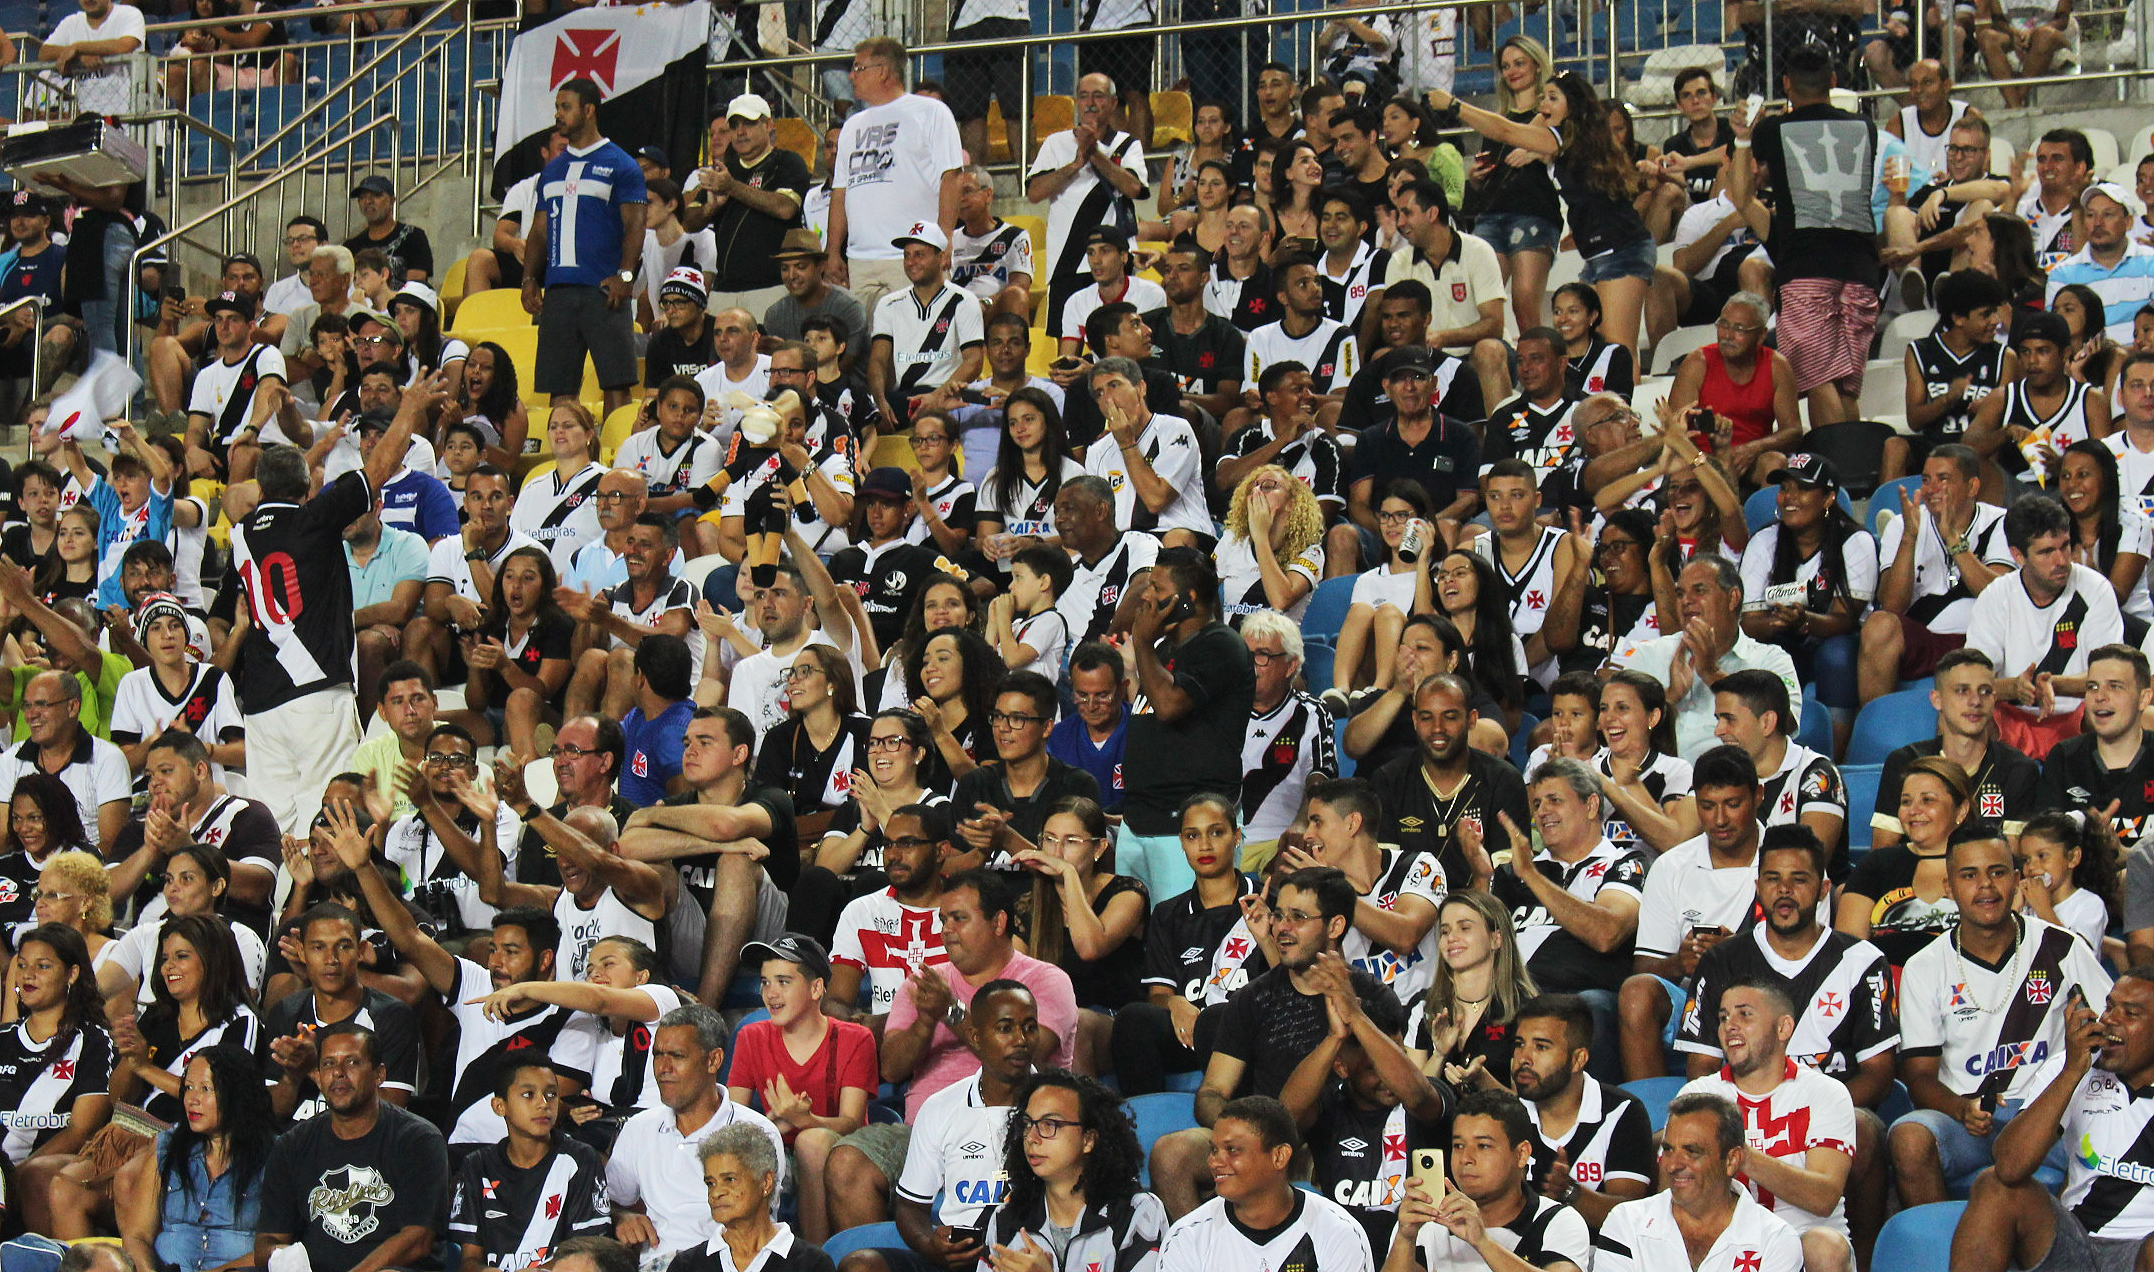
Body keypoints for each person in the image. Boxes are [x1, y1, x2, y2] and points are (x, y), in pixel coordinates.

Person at [225, 376, 428, 833]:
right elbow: (379, 467)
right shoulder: (315, 519)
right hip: (315, 687)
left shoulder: (241, 533)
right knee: (326, 816)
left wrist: (306, 461)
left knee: (272, 825)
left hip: (261, 699)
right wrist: (410, 408)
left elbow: (247, 493)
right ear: (307, 488)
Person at [328, 804, 592, 1147]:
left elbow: (550, 1106)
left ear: (545, 960)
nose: (496, 961)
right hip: (461, 1153)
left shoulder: (571, 1017)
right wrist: (363, 868)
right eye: (494, 949)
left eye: (511, 952)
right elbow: (410, 938)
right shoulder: (475, 983)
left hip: (529, 1156)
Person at [1146, 868, 1394, 1219]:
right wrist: (1248, 1134)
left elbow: (1395, 1090)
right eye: (1279, 915)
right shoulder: (1253, 998)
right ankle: (1204, 1249)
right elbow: (1213, 1091)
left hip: (1334, 1143)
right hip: (1262, 1142)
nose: (1282, 928)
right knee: (1171, 1154)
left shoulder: (1374, 1000)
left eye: (1298, 917)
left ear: (1335, 926)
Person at [1888, 826, 2113, 1206]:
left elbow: (2115, 1026)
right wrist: (1962, 1109)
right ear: (1948, 887)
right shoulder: (1924, 966)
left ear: (2017, 879)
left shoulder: (2061, 946)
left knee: (2103, 1133)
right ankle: (1937, 1239)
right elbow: (1920, 1077)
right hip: (1967, 1120)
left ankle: (2069, 1238)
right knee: (1909, 1138)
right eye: (1969, 875)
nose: (1986, 886)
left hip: (2050, 1115)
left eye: (1997, 872)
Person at [1427, 71, 1654, 358]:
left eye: (1553, 98)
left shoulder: (1564, 137)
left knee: (1618, 352)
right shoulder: (1574, 138)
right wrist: (1538, 131)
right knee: (1594, 350)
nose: (1543, 104)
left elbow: (1506, 131)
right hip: (1600, 251)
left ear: (1572, 106)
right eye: (1542, 97)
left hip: (1621, 250)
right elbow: (1522, 134)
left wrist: (1454, 105)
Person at [1949, 963, 2154, 1272]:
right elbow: (2010, 1166)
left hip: (2142, 1250)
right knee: (1994, 1185)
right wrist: (2072, 1072)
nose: (2110, 1020)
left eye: (2131, 1013)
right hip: (2076, 1241)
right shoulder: (2070, 1066)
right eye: (2110, 1007)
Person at [1727, 47, 1881, 427]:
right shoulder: (1866, 126)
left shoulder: (1773, 130)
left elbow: (1742, 195)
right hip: (1862, 269)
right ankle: (1856, 455)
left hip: (1807, 269)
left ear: (1786, 84)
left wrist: (1744, 139)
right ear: (1833, 81)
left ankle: (1836, 457)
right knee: (1845, 386)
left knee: (1817, 377)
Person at [1677, 977, 1857, 1272]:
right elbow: (1675, 1199)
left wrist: (1742, 1156)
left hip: (1805, 1240)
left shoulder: (1825, 1092)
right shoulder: (1699, 1097)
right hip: (1727, 1244)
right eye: (1723, 1018)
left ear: (1783, 1028)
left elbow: (1824, 1197)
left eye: (1744, 1014)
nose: (1730, 1026)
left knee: (1825, 1247)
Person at [1279, 948, 1451, 1256]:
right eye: (1375, 1067)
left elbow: (1416, 1095)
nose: (1389, 1076)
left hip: (1421, 1259)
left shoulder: (1429, 1095)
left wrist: (1356, 1016)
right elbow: (1285, 1117)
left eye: (1397, 1058)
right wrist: (1335, 1037)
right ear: (1342, 1067)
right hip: (1345, 1257)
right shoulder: (1330, 1106)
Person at [254, 1023, 451, 1272]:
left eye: (352, 1062)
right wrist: (284, 1259)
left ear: (379, 1074)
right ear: (318, 1076)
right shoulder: (292, 1145)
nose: (338, 1072)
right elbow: (268, 1240)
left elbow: (418, 1240)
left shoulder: (417, 1139)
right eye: (328, 1064)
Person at [1119, 549, 1256, 901]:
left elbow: (1168, 706)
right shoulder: (1165, 648)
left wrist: (1141, 642)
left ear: (1188, 598)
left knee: (1187, 930)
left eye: (1157, 588)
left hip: (1189, 828)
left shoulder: (1221, 644)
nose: (1147, 596)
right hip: (1139, 820)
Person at [605, 1004, 785, 1258]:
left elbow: (760, 1224)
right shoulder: (638, 1128)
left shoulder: (757, 1133)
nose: (663, 1068)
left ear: (713, 1061)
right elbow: (611, 1201)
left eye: (677, 1056)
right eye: (658, 1055)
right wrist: (622, 1217)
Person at [522, 80, 646, 417]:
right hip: (558, 292)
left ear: (588, 110)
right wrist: (529, 279)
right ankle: (564, 446)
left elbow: (636, 225)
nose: (558, 115)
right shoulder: (552, 170)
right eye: (557, 108)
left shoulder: (621, 164)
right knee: (559, 386)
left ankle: (617, 445)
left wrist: (625, 276)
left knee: (616, 381)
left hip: (603, 289)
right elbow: (539, 231)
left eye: (566, 107)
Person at [1966, 493, 2125, 757]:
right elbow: (1972, 679)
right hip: (2013, 718)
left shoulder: (2096, 589)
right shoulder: (1995, 597)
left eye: (2065, 546)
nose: (2061, 560)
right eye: (2046, 552)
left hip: (2079, 718)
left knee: (2113, 708)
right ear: (2018, 555)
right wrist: (2014, 688)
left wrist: (2055, 685)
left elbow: (2110, 675)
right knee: (1960, 711)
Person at [1858, 445, 2015, 704]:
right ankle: (1876, 720)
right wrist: (1909, 538)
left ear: (1972, 487)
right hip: (1924, 637)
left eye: (1943, 479)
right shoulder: (1902, 524)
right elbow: (1892, 606)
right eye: (1926, 480)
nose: (1931, 489)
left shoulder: (2002, 522)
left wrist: (1953, 538)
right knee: (1878, 624)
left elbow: (1998, 596)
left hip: (1980, 639)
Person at [1610, 554, 1799, 761]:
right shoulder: (1650, 654)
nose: (1686, 601)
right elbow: (1616, 727)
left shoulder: (1770, 660)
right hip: (1655, 776)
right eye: (1680, 593)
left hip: (1730, 776)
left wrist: (1713, 675)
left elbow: (1784, 726)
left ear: (1732, 598)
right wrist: (1669, 698)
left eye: (1699, 591)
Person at [1385, 1088, 1591, 1272]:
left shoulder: (1557, 1221)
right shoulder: (1429, 1221)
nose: (1465, 1159)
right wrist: (1405, 1238)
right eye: (1458, 1146)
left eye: (1483, 1146)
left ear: (1521, 1154)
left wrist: (1482, 1242)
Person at [1594, 1093, 1805, 1272]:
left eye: (1692, 1152)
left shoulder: (1775, 1240)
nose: (1672, 1165)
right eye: (1668, 1149)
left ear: (1732, 1160)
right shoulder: (1626, 1223)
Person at [1156, 1094, 1372, 1267]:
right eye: (1214, 1150)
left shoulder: (1337, 1232)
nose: (1214, 1162)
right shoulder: (1187, 1237)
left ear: (1279, 1156)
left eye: (1232, 1150)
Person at [826, 38, 961, 310]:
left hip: (914, 256)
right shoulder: (851, 126)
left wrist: (944, 238)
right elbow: (840, 192)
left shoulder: (931, 112)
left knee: (919, 333)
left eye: (858, 68)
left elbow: (952, 176)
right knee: (868, 338)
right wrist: (832, 251)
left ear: (883, 71)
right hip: (860, 259)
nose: (851, 76)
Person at [258, 901, 421, 1119]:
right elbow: (274, 1113)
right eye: (318, 947)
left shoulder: (392, 1016)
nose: (331, 959)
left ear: (361, 951)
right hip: (297, 1137)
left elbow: (393, 1110)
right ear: (301, 952)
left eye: (343, 946)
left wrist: (315, 1070)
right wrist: (292, 1076)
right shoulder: (285, 1012)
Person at [446, 1058, 610, 1272]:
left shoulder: (580, 1160)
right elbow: (468, 1260)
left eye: (551, 1094)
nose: (543, 1103)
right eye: (528, 1094)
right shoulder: (476, 1165)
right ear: (500, 1106)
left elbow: (586, 1253)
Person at [1367, 673, 1528, 889]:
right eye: (1426, 718)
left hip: (1483, 906)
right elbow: (1385, 881)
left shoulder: (1504, 780)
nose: (1437, 728)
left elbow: (1509, 884)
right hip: (1409, 908)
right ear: (1415, 720)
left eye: (1450, 717)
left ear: (1471, 719)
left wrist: (1479, 878)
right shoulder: (1389, 780)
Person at [1867, 648, 2040, 851]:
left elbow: (2012, 857)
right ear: (1937, 700)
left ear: (1994, 699)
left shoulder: (2017, 769)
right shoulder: (1905, 762)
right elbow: (1882, 852)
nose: (1975, 701)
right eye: (1962, 691)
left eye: (1985, 691)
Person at [114, 1044, 267, 1272]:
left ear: (238, 1094)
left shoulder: (273, 1157)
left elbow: (274, 1248)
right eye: (188, 1087)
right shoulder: (167, 1147)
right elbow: (137, 1235)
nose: (192, 1099)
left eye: (206, 1089)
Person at [1382, 180, 1509, 409]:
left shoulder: (1478, 251)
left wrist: (1443, 338)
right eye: (1398, 214)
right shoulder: (1399, 262)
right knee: (1383, 357)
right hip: (1425, 358)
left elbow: (1494, 324)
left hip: (1475, 354)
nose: (1400, 223)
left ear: (1432, 213)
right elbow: (1393, 325)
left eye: (1407, 213)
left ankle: (1500, 432)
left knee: (1489, 351)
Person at [1883, 271, 2015, 483]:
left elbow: (2005, 420)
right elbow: (1914, 421)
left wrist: (1988, 407)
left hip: (1978, 447)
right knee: (1894, 446)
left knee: (1993, 448)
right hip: (1934, 445)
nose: (1996, 321)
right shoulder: (1920, 351)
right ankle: (1889, 505)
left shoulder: (2004, 357)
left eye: (1995, 313)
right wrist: (1948, 399)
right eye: (1985, 314)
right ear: (1958, 318)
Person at [696, 94, 809, 318]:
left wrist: (732, 187)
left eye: (748, 123)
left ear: (768, 125)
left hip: (772, 287)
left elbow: (785, 208)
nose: (740, 132)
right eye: (734, 126)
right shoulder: (725, 170)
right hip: (725, 290)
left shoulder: (786, 162)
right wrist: (710, 209)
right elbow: (689, 222)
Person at [2047, 182, 2154, 341]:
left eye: (2107, 214)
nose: (2097, 223)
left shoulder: (2151, 262)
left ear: (2128, 222)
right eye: (2090, 215)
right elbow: (2055, 333)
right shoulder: (2062, 274)